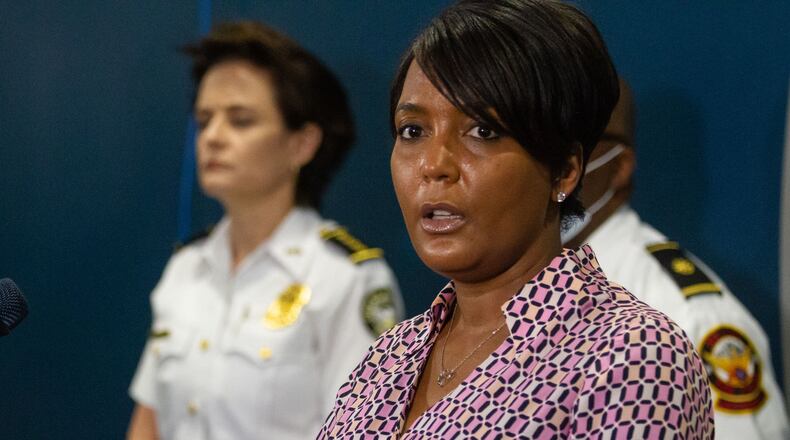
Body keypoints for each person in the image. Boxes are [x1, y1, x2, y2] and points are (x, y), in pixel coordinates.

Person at [318, 0, 714, 438]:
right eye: (412, 131)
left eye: (483, 131)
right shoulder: (388, 357)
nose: (434, 165)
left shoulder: (630, 357)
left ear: (564, 169)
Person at [126, 21, 403, 440]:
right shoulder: (185, 268)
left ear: (302, 144)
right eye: (204, 120)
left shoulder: (347, 279)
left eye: (240, 120)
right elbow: (148, 422)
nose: (213, 138)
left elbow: (366, 430)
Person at [565, 79, 790, 439]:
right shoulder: (504, 293)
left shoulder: (688, 314)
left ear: (619, 167)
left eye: (572, 149)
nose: (551, 168)